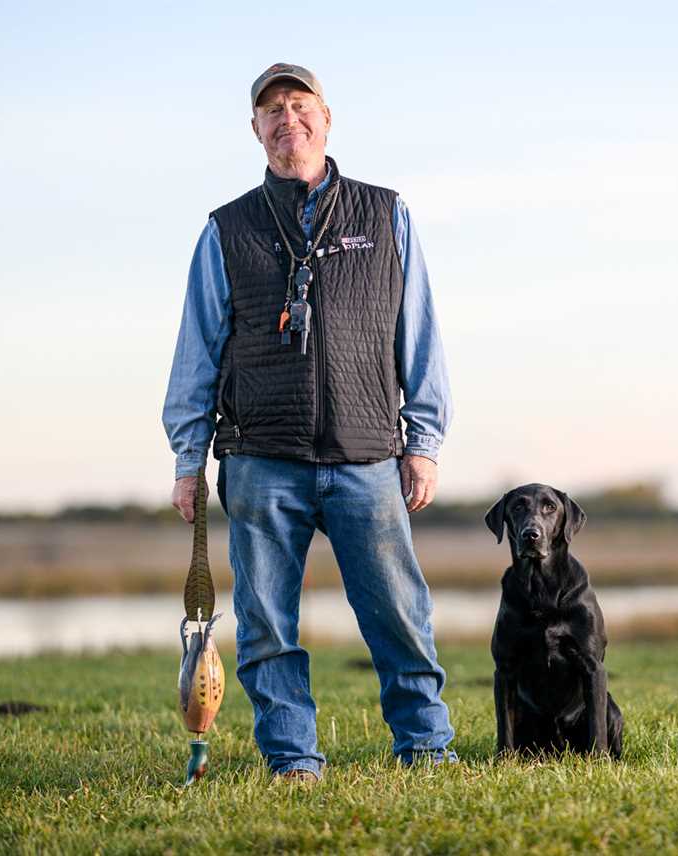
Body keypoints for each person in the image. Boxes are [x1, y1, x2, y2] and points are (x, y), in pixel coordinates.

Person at [162, 63, 456, 781]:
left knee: (398, 617)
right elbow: (196, 349)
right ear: (256, 129)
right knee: (265, 626)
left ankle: (425, 748)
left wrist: (423, 442)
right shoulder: (224, 230)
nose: (286, 119)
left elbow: (417, 334)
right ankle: (293, 759)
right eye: (271, 111)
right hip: (260, 460)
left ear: (325, 118)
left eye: (299, 106)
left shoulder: (386, 214)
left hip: (368, 459)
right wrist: (186, 457)